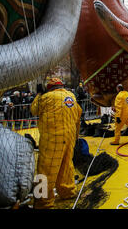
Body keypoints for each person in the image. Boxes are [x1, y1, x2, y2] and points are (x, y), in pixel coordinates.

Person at [30, 77, 82, 209]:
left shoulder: (45, 98)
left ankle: (42, 201)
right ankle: (68, 191)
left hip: (52, 137)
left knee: (45, 169)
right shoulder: (71, 95)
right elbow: (79, 113)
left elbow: (34, 110)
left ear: (49, 88)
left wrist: (38, 95)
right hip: (70, 136)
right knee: (66, 164)